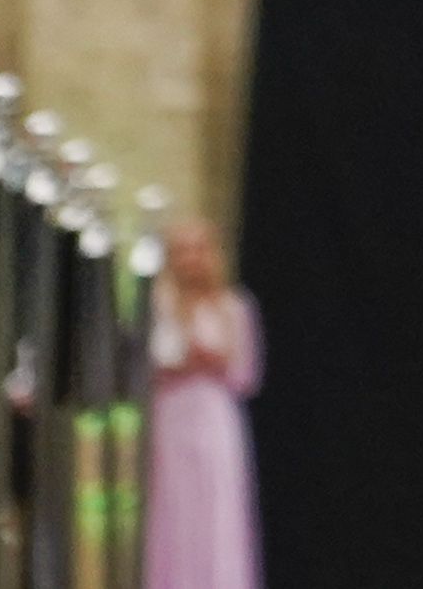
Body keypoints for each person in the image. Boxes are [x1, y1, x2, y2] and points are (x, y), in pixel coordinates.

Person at [142, 219, 262, 589]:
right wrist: (181, 365)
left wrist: (212, 359)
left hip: (213, 420)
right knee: (173, 509)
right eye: (182, 250)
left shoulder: (234, 306)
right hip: (170, 418)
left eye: (198, 249)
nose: (190, 259)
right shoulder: (157, 304)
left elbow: (247, 374)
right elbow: (141, 367)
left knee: (216, 508)